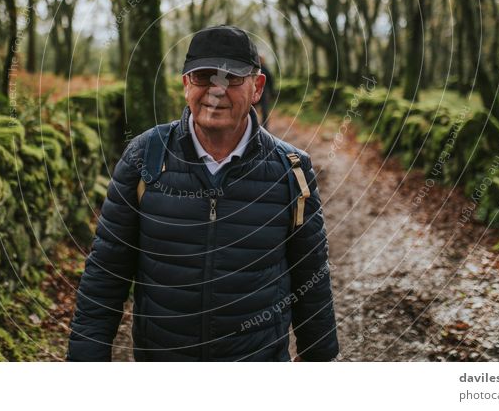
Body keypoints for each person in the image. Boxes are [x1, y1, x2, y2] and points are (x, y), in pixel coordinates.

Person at [67, 25, 339, 362]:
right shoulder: (144, 158)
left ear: (257, 87)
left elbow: (310, 280)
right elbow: (105, 275)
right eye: (203, 77)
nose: (216, 91)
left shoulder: (291, 170)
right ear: (185, 85)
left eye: (232, 78)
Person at [257, 55, 275, 129]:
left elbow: (271, 81)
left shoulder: (265, 69)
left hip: (264, 92)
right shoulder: (253, 68)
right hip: (254, 92)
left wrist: (271, 92)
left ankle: (265, 127)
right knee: (251, 110)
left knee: (264, 110)